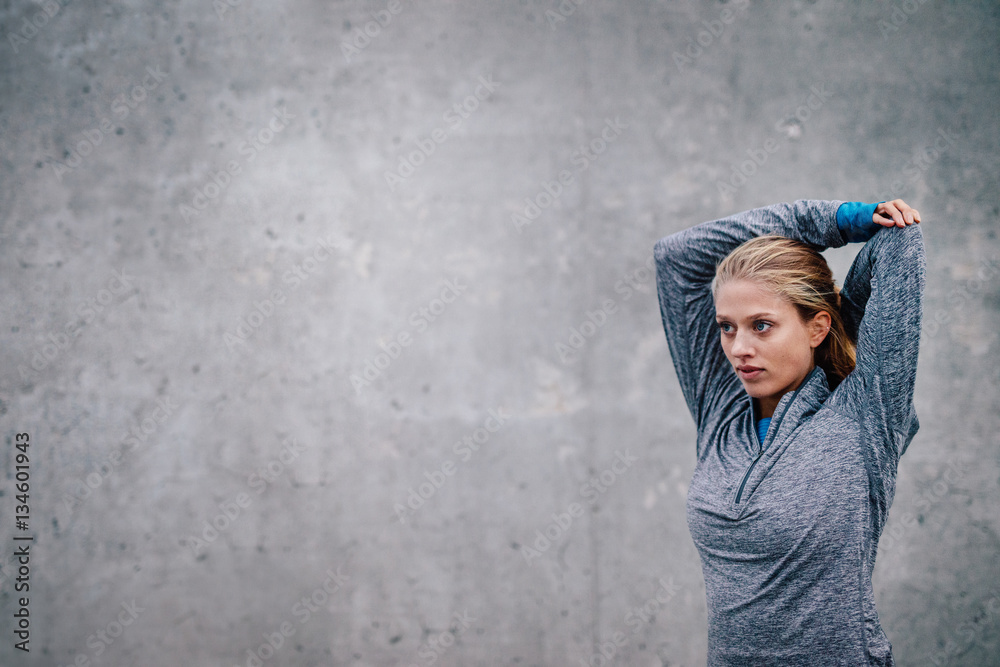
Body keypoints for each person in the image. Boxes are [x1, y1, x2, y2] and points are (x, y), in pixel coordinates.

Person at [653, 198, 925, 666]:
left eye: (762, 326)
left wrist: (854, 226)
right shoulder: (720, 411)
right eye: (727, 327)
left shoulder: (864, 417)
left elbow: (900, 242)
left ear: (817, 327)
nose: (739, 348)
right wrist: (831, 219)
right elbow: (675, 257)